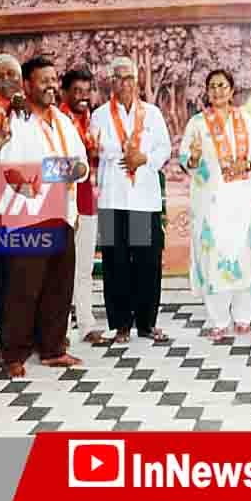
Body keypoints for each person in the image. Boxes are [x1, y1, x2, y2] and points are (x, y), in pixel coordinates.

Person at [0, 56, 89, 376]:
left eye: (54, 80)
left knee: (59, 286)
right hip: (29, 217)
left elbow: (82, 166)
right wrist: (56, 172)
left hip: (62, 213)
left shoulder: (63, 121)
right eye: (43, 80)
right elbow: (10, 168)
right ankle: (13, 353)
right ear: (27, 85)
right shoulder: (18, 120)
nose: (51, 86)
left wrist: (47, 172)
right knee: (23, 289)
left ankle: (53, 348)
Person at [180, 69, 251, 341]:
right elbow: (187, 160)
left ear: (232, 90)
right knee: (214, 258)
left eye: (222, 85)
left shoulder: (245, 119)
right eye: (212, 86)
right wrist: (194, 158)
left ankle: (244, 319)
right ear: (207, 92)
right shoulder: (197, 124)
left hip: (243, 202)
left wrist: (249, 164)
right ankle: (219, 321)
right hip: (212, 203)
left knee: (245, 256)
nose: (217, 91)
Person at [94, 57, 172, 344]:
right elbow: (97, 145)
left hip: (143, 201)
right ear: (111, 82)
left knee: (146, 263)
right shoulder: (100, 115)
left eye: (129, 78)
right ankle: (121, 325)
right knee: (115, 265)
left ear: (137, 81)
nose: (124, 83)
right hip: (113, 200)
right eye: (118, 78)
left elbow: (164, 148)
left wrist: (145, 158)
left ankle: (146, 324)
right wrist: (123, 151)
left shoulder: (152, 114)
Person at [61, 67, 104, 344]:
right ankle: (60, 330)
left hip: (87, 201)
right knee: (61, 270)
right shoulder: (57, 120)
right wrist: (83, 164)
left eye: (87, 91)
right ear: (64, 92)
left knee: (84, 268)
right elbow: (50, 166)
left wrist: (92, 156)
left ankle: (86, 324)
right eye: (76, 91)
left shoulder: (91, 121)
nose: (82, 97)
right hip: (63, 204)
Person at [0, 53, 24, 359]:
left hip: (29, 208)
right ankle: (2, 342)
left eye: (12, 74)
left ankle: (22, 339)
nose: (6, 81)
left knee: (21, 279)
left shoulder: (30, 112)